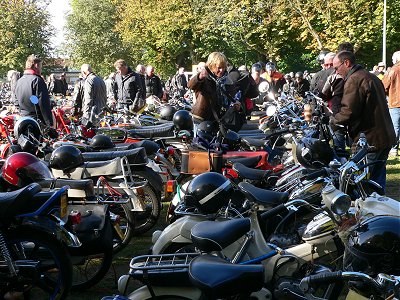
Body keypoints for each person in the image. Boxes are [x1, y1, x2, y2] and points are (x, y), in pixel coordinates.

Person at [331, 51, 396, 192]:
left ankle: (372, 211)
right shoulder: (369, 76)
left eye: (336, 68)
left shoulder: (355, 79)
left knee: (360, 185)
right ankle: (379, 207)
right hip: (383, 136)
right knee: (377, 184)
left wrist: (333, 121)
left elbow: (349, 111)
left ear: (346, 63)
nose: (336, 72)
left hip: (369, 139)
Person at [188, 51, 258, 133]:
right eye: (219, 67)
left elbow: (232, 97)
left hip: (219, 120)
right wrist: (200, 76)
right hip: (201, 118)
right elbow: (190, 85)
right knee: (201, 144)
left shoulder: (227, 79)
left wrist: (238, 105)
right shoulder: (204, 78)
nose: (222, 70)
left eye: (224, 67)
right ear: (212, 66)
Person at [15, 54, 53, 127]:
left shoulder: (19, 81)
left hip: (23, 120)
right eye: (40, 66)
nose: (41, 69)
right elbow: (43, 104)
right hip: (37, 121)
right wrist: (49, 124)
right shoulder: (37, 80)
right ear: (36, 65)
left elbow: (16, 101)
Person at [382, 50, 400, 156]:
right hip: (396, 101)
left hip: (395, 102)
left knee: (395, 126)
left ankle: (393, 148)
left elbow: (384, 85)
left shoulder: (393, 70)